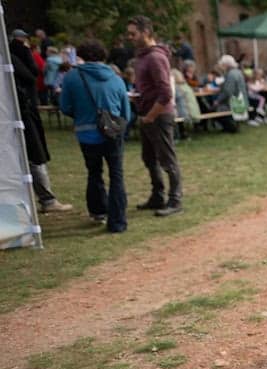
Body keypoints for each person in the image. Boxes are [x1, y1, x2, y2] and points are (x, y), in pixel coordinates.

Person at [59, 40, 131, 233]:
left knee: (94, 172)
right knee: (116, 175)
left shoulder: (72, 78)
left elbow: (65, 106)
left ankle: (98, 210)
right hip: (112, 132)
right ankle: (117, 221)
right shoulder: (116, 78)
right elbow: (126, 111)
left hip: (86, 132)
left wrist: (81, 115)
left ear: (81, 55)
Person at [9, 29, 73, 213]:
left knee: (33, 157)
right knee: (33, 157)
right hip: (22, 113)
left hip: (24, 112)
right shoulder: (16, 56)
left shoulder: (16, 57)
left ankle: (46, 199)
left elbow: (34, 73)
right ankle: (47, 199)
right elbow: (32, 73)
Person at [127, 14, 184, 217]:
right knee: (149, 158)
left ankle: (175, 200)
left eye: (133, 33)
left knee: (167, 160)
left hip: (158, 116)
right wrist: (138, 97)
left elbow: (166, 93)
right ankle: (157, 196)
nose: (130, 37)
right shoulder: (142, 57)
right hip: (147, 114)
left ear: (146, 32)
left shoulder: (155, 57)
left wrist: (151, 115)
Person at [214, 54, 248, 133]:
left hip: (234, 102)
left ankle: (231, 127)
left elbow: (228, 92)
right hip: (241, 100)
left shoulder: (231, 74)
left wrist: (218, 101)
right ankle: (233, 126)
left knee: (215, 109)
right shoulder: (238, 72)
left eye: (222, 65)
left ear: (226, 65)